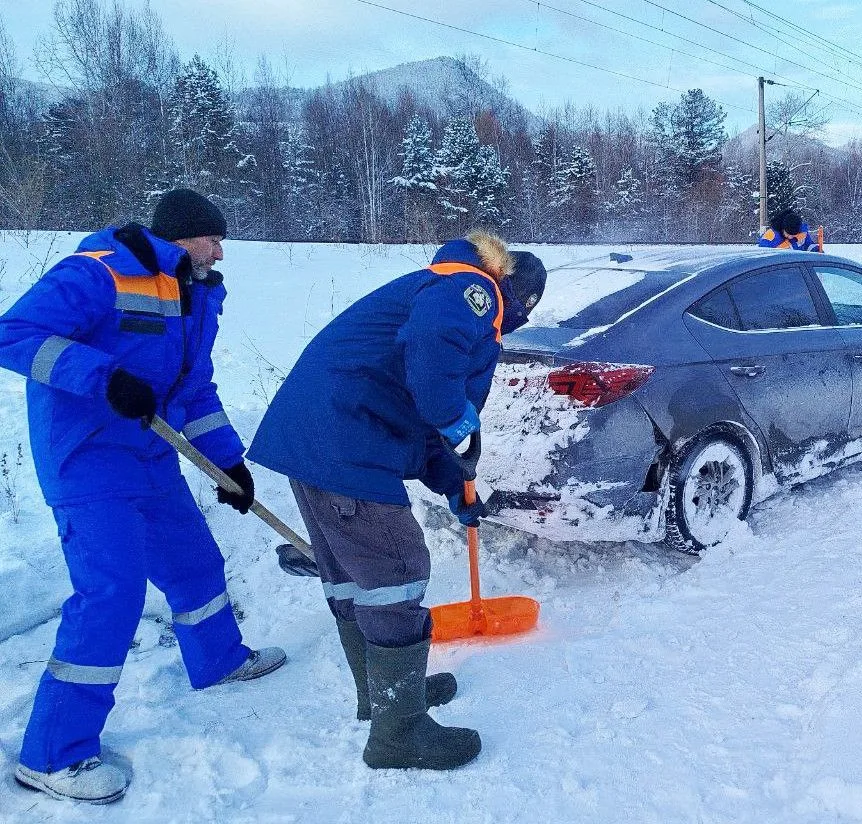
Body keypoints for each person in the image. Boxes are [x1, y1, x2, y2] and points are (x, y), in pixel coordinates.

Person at [0, 189, 285, 805]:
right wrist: (102, 376)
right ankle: (53, 754)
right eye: (212, 237)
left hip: (153, 456)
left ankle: (218, 660)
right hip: (88, 459)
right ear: (182, 236)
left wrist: (228, 462)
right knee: (112, 593)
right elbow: (13, 334)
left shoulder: (196, 295)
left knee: (195, 564)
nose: (220, 249)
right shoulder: (97, 272)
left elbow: (196, 388)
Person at [246, 232, 546, 772]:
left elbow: (415, 413)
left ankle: (382, 697)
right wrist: (450, 411)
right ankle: (399, 733)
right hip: (345, 442)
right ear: (516, 295)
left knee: (351, 574)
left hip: (323, 438)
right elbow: (432, 371)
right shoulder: (473, 288)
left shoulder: (436, 285)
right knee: (396, 571)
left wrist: (453, 482)